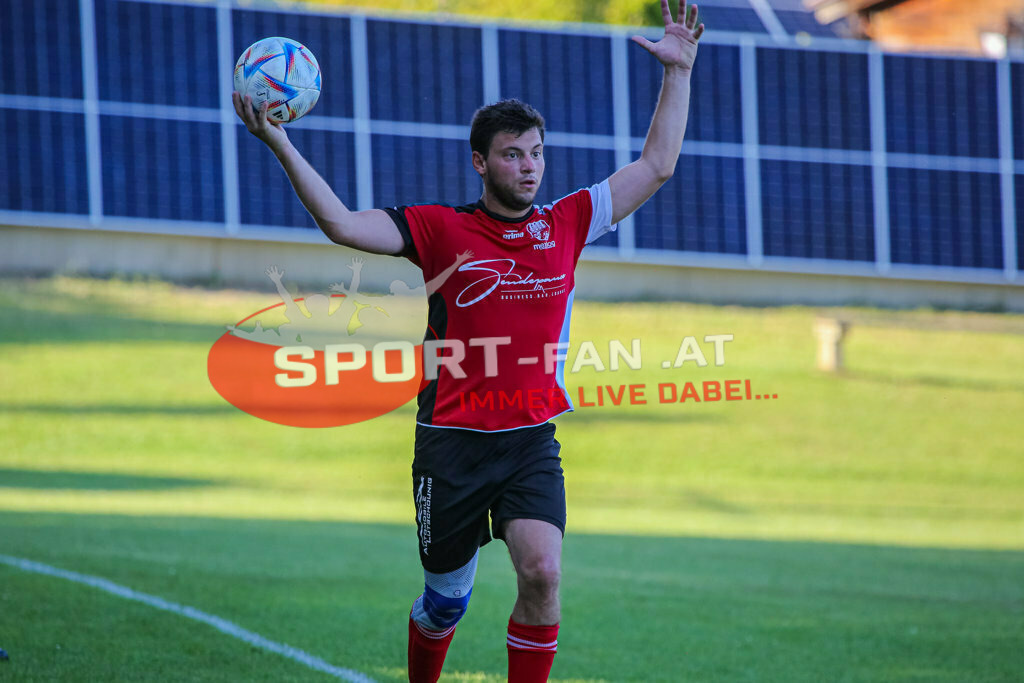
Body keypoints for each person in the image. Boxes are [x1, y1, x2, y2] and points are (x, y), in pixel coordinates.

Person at [233, 1, 703, 680]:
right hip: (451, 443)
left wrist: (679, 72)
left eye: (537, 152)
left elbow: (656, 165)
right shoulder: (439, 228)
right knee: (444, 603)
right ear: (481, 162)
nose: (530, 166)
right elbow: (341, 224)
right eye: (513, 155)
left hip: (530, 440)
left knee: (542, 575)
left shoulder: (567, 221)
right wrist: (279, 142)